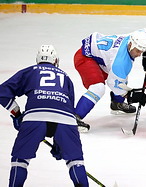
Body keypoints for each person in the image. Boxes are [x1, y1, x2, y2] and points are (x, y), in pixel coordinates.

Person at [0, 45, 89, 186]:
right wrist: (60, 142)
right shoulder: (65, 77)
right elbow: (69, 111)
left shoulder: (30, 71)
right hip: (65, 119)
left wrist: (17, 114)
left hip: (35, 117)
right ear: (55, 61)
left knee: (20, 160)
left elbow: (2, 93)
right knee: (75, 161)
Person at [74, 28, 146, 132]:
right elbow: (113, 84)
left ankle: (117, 104)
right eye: (138, 51)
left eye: (142, 51)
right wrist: (130, 96)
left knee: (122, 77)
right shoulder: (121, 62)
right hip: (85, 58)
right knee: (98, 87)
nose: (140, 54)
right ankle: (75, 117)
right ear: (130, 45)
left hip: (100, 56)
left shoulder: (140, 36)